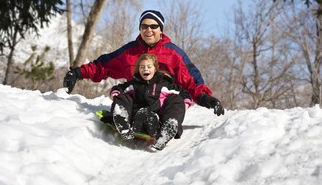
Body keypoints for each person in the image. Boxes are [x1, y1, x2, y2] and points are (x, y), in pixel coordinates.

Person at [63, 9, 224, 116]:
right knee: (123, 97)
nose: (149, 30)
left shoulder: (173, 53)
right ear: (140, 29)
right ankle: (122, 118)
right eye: (144, 26)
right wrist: (78, 73)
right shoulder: (129, 52)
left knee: (176, 102)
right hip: (137, 102)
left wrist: (205, 98)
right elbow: (104, 65)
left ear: (161, 29)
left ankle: (168, 123)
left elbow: (191, 79)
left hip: (163, 105)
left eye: (153, 26)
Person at [109, 53, 192, 150]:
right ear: (138, 69)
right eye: (142, 67)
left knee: (176, 99)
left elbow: (182, 92)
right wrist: (116, 93)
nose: (145, 69)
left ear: (155, 69)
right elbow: (120, 88)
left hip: (156, 122)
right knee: (123, 96)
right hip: (134, 119)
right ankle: (122, 120)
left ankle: (168, 128)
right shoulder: (134, 83)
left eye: (149, 66)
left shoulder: (164, 84)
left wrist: (185, 102)